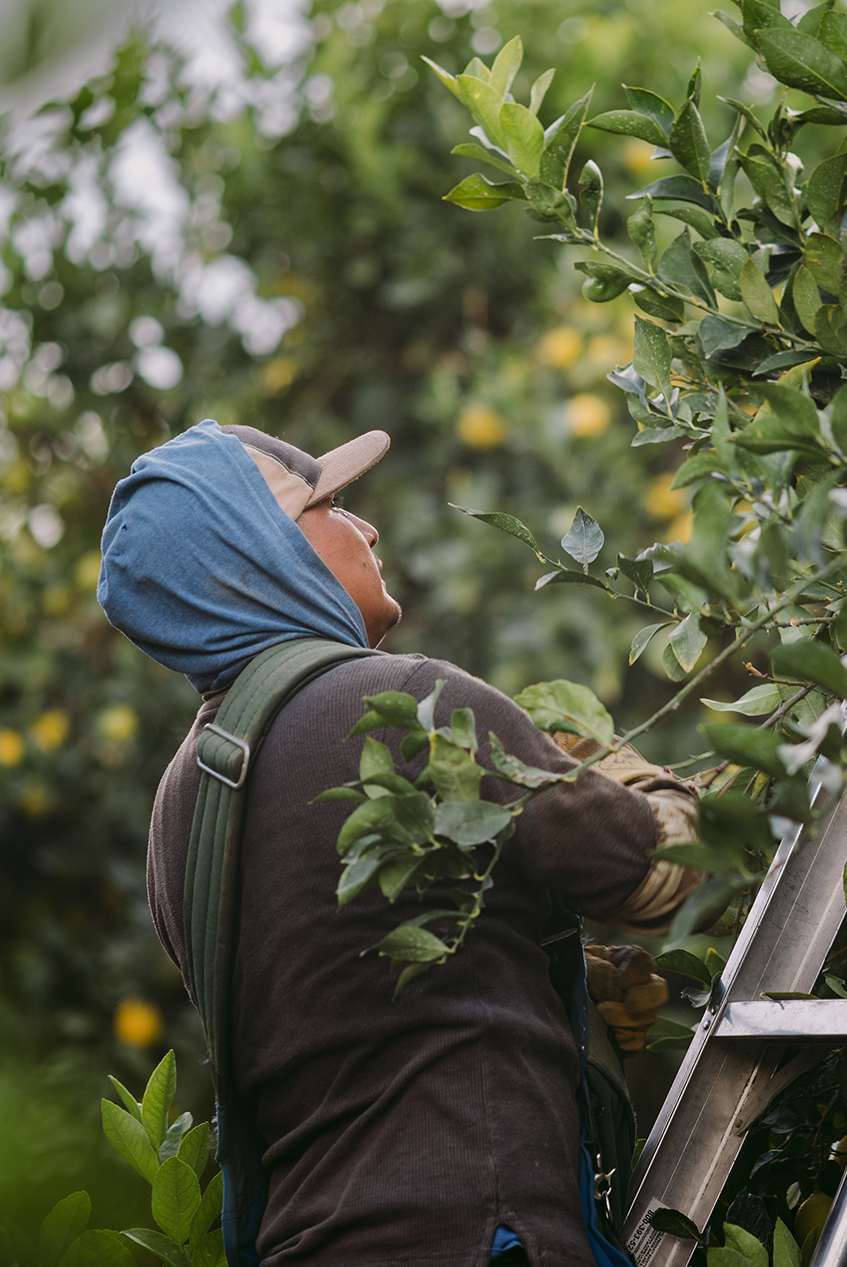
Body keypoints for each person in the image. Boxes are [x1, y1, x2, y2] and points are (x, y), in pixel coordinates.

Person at [96, 419, 704, 1267]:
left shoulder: (182, 804)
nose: (368, 528)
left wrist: (536, 973)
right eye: (332, 506)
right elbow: (654, 873)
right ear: (261, 552)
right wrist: (642, 779)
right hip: (475, 1239)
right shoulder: (406, 703)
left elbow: (338, 1003)